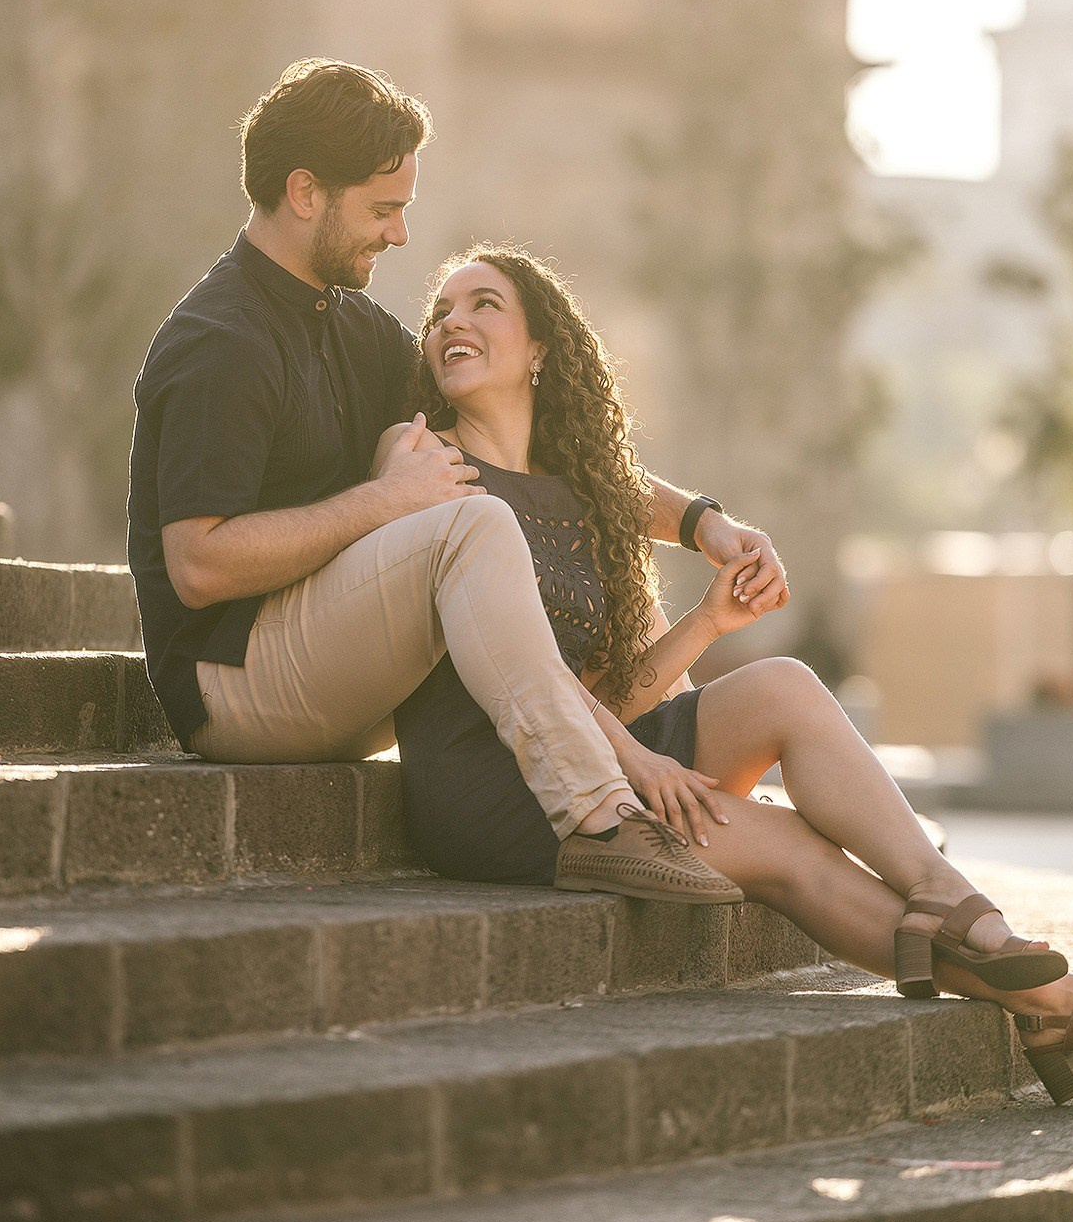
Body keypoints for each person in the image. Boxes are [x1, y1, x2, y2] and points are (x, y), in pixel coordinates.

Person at [393, 242, 1073, 1105]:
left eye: (483, 304)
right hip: (495, 788)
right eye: (441, 311)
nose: (453, 321)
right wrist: (641, 762)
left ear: (540, 351)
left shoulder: (574, 493)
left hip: (588, 753)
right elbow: (533, 690)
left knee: (781, 681)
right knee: (788, 849)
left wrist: (709, 618)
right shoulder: (425, 463)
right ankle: (1052, 997)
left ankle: (949, 899)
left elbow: (603, 700)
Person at [127, 58, 775, 905]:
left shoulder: (355, 329)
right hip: (231, 686)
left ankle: (689, 781)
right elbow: (199, 567)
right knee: (472, 523)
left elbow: (550, 455)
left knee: (521, 519)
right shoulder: (224, 340)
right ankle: (602, 815)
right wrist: (384, 501)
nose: (398, 235)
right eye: (384, 209)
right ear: (306, 192)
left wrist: (698, 524)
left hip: (336, 665)